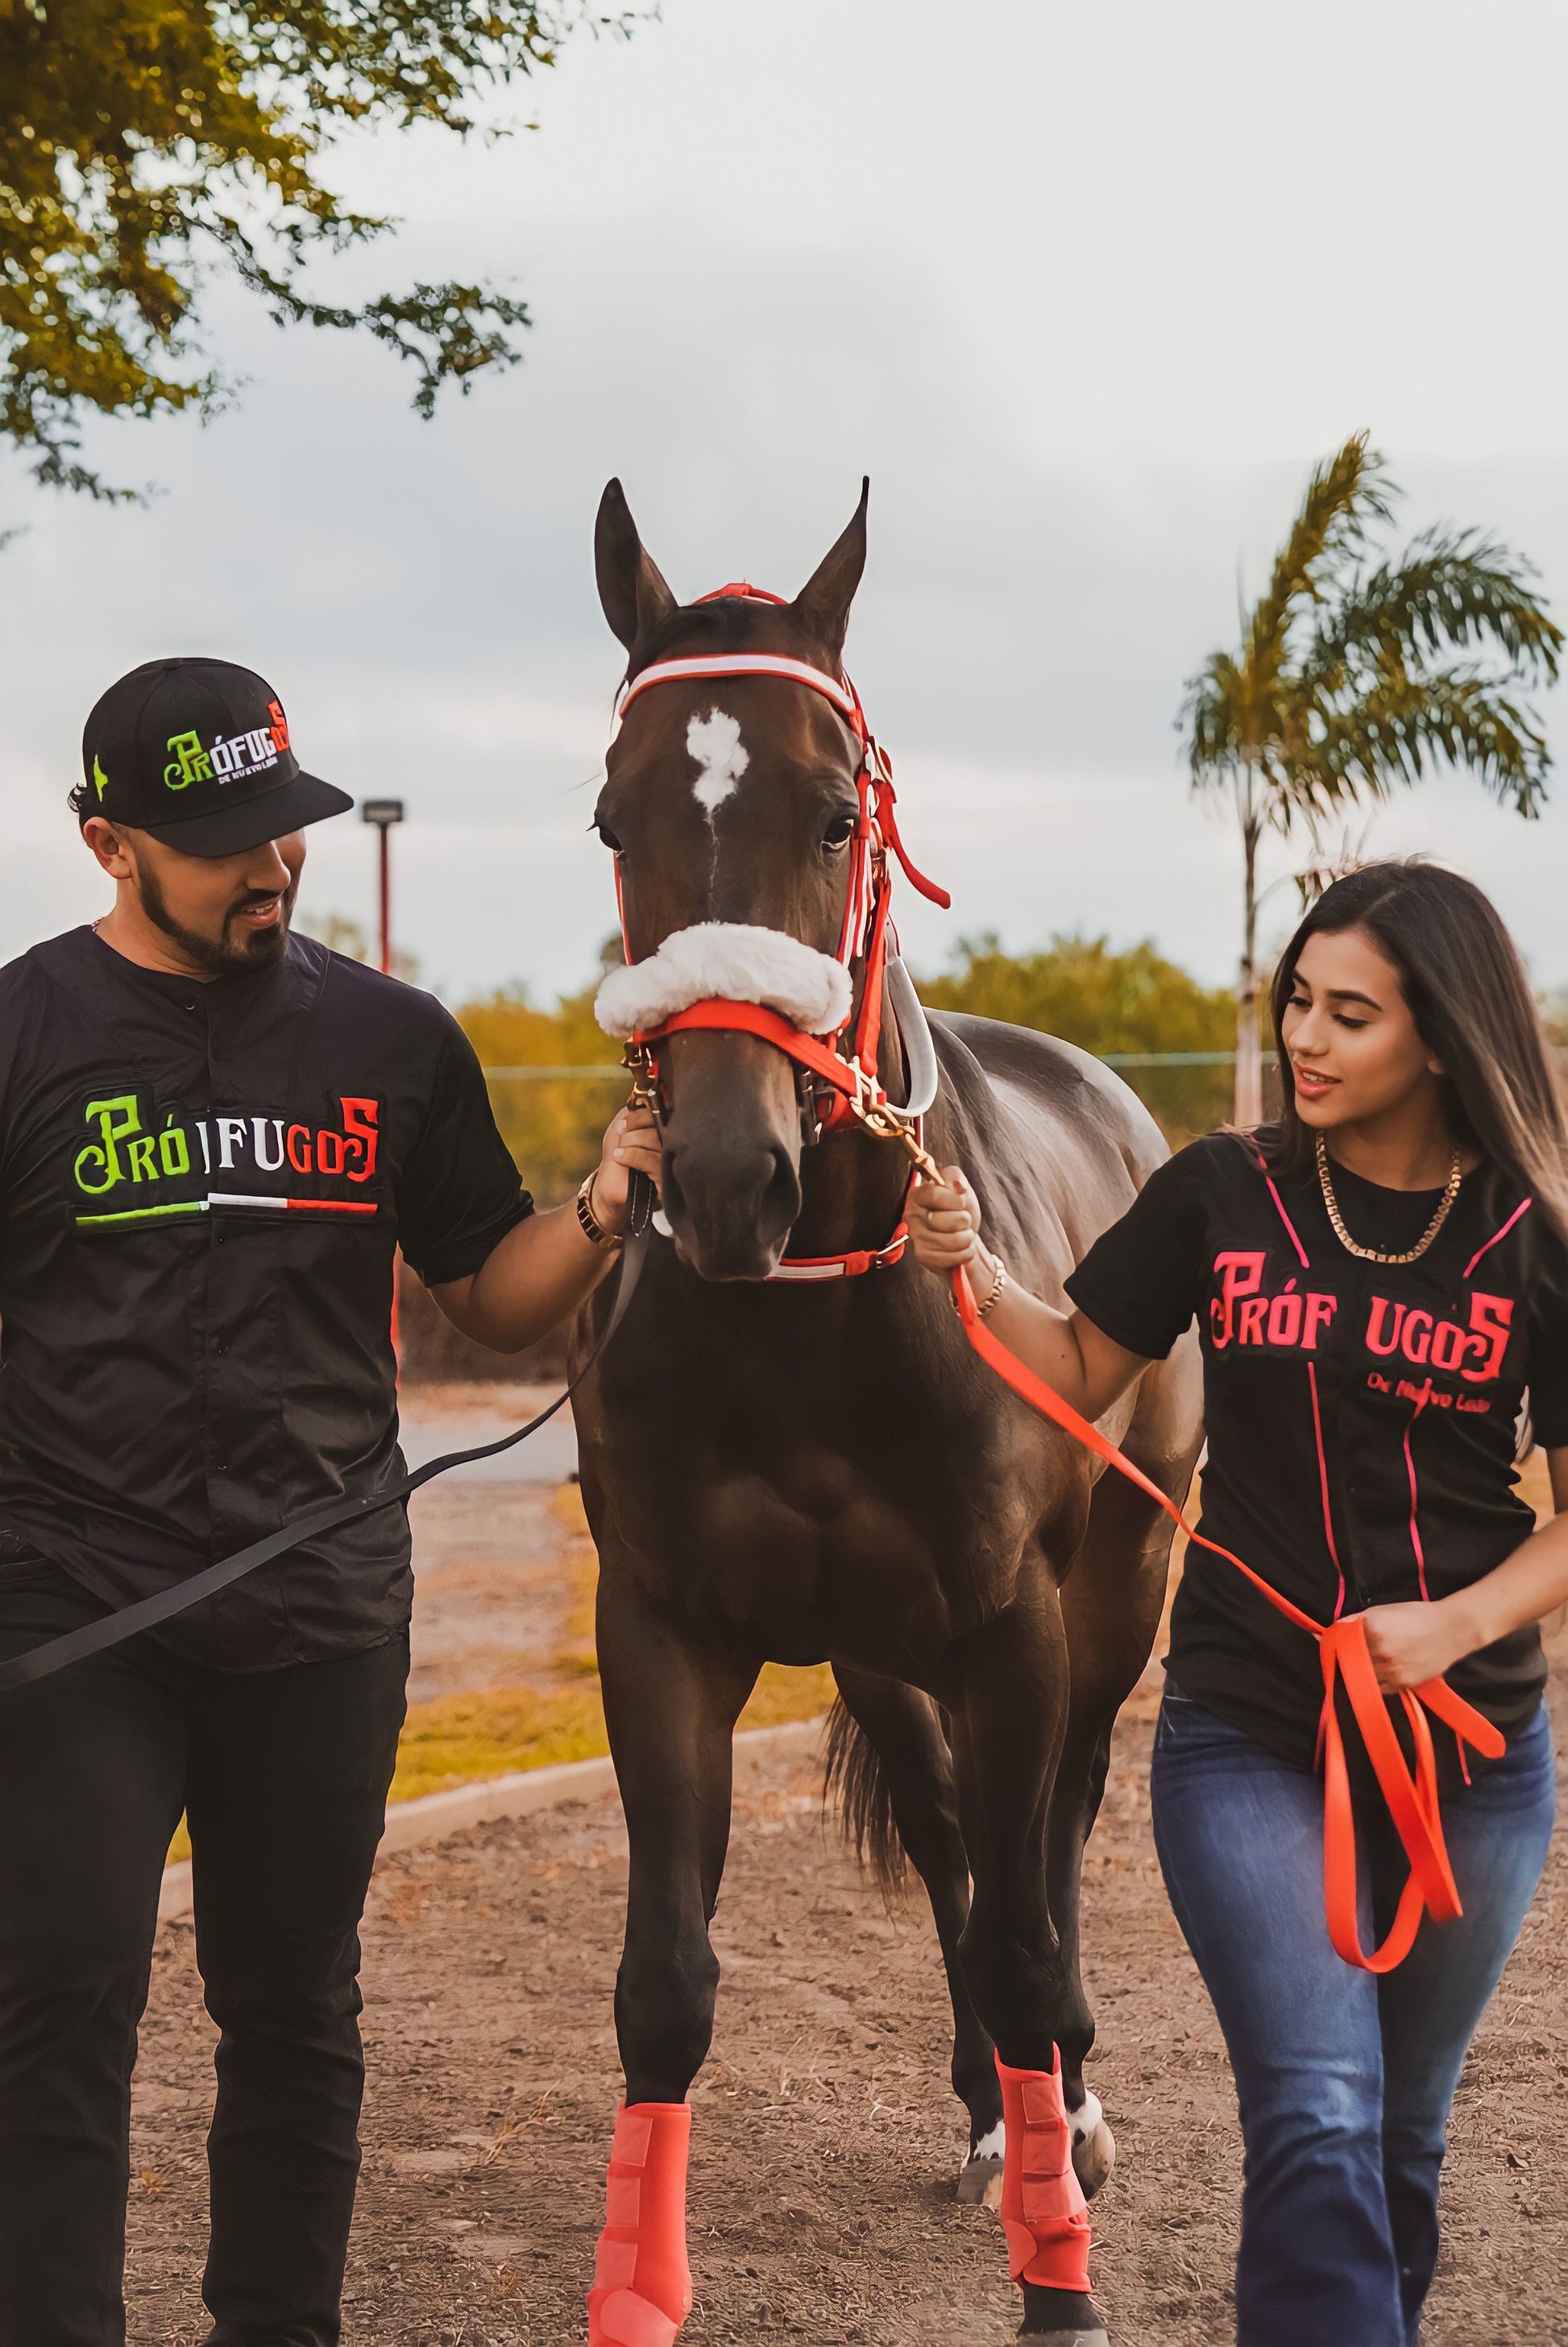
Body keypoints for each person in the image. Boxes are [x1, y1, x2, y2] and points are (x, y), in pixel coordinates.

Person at [0, 655, 662, 2347]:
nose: (270, 862)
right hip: (80, 1606)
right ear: (106, 842)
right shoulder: (22, 1032)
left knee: (290, 2004)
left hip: (321, 1609)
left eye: (281, 823)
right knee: (62, 1986)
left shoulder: (390, 1038)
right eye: (219, 837)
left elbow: (491, 1294)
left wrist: (597, 1208)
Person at [905, 861, 1568, 2347]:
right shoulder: (1221, 1190)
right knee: (1317, 2115)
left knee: (1399, 2137)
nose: (1305, 1041)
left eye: (1350, 1015)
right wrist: (968, 1273)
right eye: (1296, 1006)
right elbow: (1079, 1371)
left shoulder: (1531, 1235)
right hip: (1248, 1728)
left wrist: (1450, 1625)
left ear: (1444, 1037)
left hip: (1471, 1753)